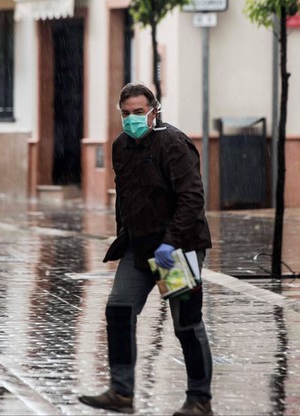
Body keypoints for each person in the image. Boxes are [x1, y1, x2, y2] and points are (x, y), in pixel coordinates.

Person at [78, 83, 214, 416]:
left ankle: (199, 400)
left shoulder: (173, 143)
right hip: (139, 248)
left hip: (176, 250)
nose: (132, 119)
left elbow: (191, 198)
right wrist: (124, 234)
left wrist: (172, 243)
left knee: (186, 325)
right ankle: (122, 392)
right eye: (126, 114)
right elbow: (125, 197)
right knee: (118, 310)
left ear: (154, 111)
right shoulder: (120, 146)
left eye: (138, 113)